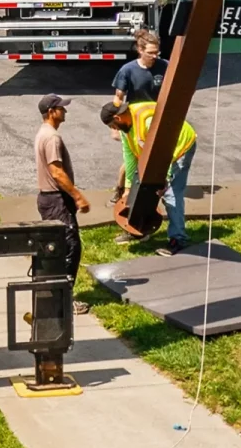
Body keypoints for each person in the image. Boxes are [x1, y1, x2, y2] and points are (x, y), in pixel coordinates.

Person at [103, 99, 196, 255]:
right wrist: (127, 188)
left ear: (118, 118)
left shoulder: (147, 123)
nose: (113, 130)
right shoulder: (126, 127)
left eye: (112, 126)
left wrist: (163, 180)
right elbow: (130, 157)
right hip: (159, 152)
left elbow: (163, 151)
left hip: (179, 148)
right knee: (139, 188)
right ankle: (138, 228)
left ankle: (178, 239)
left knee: (171, 194)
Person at [33, 94, 90, 311]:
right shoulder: (52, 138)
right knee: (69, 249)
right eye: (61, 108)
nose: (65, 111)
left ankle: (55, 296)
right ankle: (64, 301)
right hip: (56, 200)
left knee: (56, 249)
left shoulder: (43, 134)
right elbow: (57, 172)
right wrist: (77, 195)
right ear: (51, 112)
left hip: (47, 199)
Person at [111, 29, 166, 108]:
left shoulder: (165, 66)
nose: (154, 56)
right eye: (150, 53)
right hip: (136, 114)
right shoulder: (127, 70)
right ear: (140, 50)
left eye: (156, 52)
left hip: (159, 113)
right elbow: (118, 97)